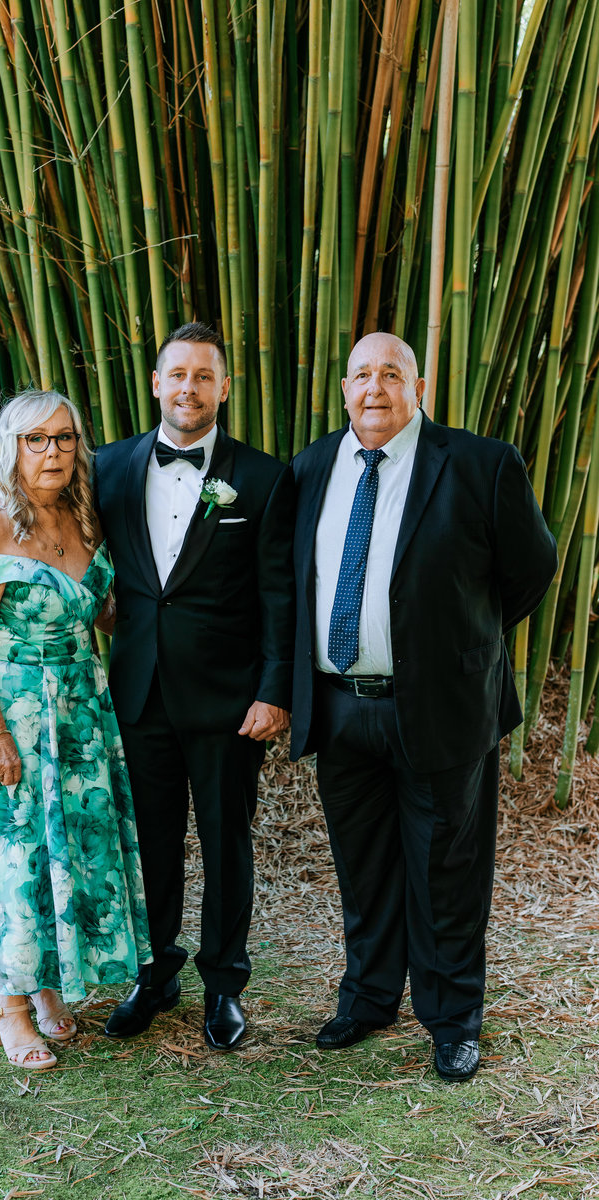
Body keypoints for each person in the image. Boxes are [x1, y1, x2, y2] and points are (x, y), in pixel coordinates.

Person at [291, 332, 557, 1081]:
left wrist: (459, 639)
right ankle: (369, 998)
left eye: (391, 373)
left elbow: (531, 568)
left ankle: (451, 1019)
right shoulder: (313, 466)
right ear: (344, 389)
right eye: (361, 375)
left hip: (442, 705)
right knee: (364, 866)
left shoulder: (479, 463)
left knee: (447, 868)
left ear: (420, 387)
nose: (375, 388)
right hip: (342, 705)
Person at [0, 388, 151, 1071]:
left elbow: (102, 614)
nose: (52, 452)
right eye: (35, 440)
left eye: (64, 438)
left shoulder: (85, 519)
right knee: (15, 854)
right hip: (9, 710)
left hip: (78, 713)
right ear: (10, 450)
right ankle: (8, 1008)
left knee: (57, 851)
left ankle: (45, 985)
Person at [94, 322, 294, 1050]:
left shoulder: (264, 477)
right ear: (156, 383)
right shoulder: (107, 467)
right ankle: (153, 975)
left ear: (224, 387)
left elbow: (280, 595)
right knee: (149, 843)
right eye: (177, 374)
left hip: (228, 700)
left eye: (204, 376)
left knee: (225, 842)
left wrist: (275, 690)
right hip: (139, 692)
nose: (189, 388)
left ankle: (224, 986)